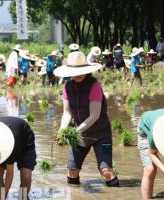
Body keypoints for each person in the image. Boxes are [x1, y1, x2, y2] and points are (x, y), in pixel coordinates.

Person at [53, 51, 119, 187]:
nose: (77, 74)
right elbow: (67, 113)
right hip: (79, 135)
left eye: (80, 71)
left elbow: (94, 115)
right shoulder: (67, 86)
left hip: (101, 134)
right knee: (72, 171)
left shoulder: (94, 85)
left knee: (105, 171)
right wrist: (62, 130)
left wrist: (76, 131)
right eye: (74, 71)